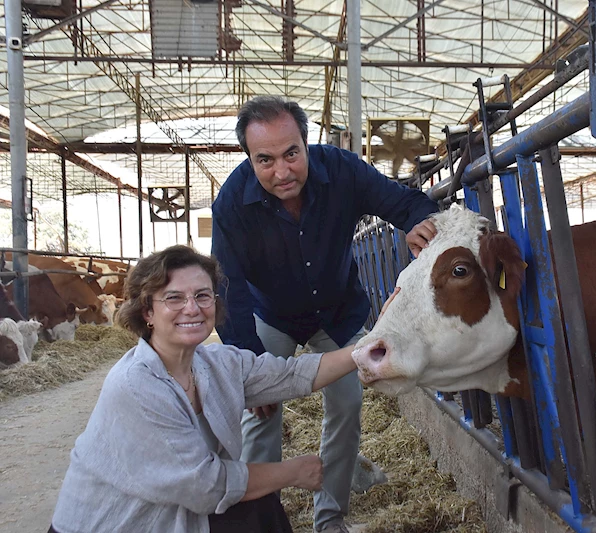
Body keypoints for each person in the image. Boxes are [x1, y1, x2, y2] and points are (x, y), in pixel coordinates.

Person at [211, 95, 439, 532]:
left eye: (292, 153)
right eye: (266, 160)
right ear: (249, 158)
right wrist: (252, 371)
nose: (282, 171)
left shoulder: (342, 170)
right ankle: (261, 521)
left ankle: (330, 520)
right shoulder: (230, 208)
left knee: (348, 403)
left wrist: (417, 221)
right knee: (260, 413)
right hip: (271, 316)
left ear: (306, 141)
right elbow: (229, 293)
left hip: (337, 311)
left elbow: (404, 202)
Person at [49, 245, 382, 533]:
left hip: (174, 511)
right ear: (147, 311)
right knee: (257, 503)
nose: (192, 308)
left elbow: (292, 374)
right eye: (174, 298)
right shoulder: (137, 385)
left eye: (202, 295)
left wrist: (366, 347)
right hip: (120, 522)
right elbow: (205, 486)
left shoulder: (215, 363)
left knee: (261, 508)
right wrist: (291, 472)